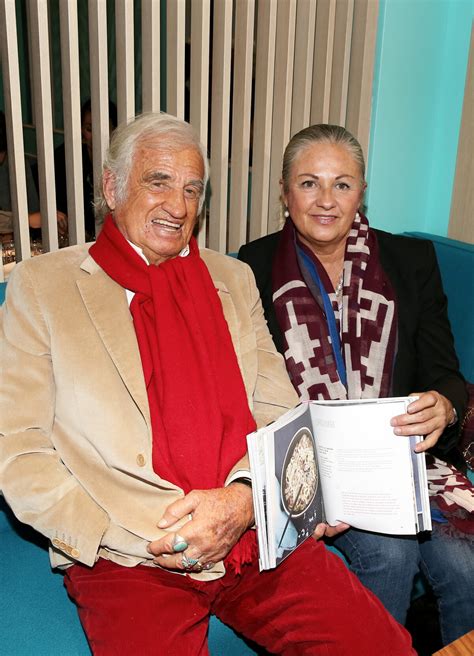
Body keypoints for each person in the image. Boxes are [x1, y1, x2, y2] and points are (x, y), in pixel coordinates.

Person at [0, 113, 415, 655]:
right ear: (111, 186)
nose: (178, 205)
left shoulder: (232, 278)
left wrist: (245, 499)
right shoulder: (44, 285)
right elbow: (19, 448)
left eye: (193, 189)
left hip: (250, 533)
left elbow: (278, 408)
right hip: (131, 556)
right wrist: (120, 537)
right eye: (159, 182)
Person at [238, 123, 474, 646]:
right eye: (309, 183)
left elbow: (445, 374)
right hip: (311, 463)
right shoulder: (250, 268)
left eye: (342, 184)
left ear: (361, 193)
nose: (326, 200)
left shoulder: (410, 263)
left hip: (406, 455)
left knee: (467, 567)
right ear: (284, 191)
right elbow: (246, 391)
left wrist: (444, 407)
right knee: (390, 554)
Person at [53, 98, 117, 241]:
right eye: (89, 129)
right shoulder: (66, 157)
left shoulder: (121, 161)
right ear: (82, 130)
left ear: (114, 129)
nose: (95, 137)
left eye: (104, 129)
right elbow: (58, 206)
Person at [0, 110, 67, 243]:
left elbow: (35, 210)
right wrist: (27, 220)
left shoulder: (16, 162)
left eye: (2, 152)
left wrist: (47, 220)